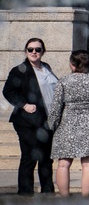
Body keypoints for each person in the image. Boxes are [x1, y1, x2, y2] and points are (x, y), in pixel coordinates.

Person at [46, 50, 89, 197]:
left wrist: (53, 126)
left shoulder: (63, 81)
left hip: (67, 125)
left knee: (63, 164)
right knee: (88, 165)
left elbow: (55, 108)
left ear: (72, 64)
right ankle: (85, 199)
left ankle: (65, 198)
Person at [3, 38, 58, 195]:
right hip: (27, 121)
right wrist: (23, 104)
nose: (34, 52)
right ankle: (25, 193)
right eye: (30, 49)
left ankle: (47, 190)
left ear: (43, 51)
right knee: (30, 156)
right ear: (26, 51)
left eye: (37, 50)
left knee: (46, 158)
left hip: (46, 120)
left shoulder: (46, 67)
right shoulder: (20, 70)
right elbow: (8, 91)